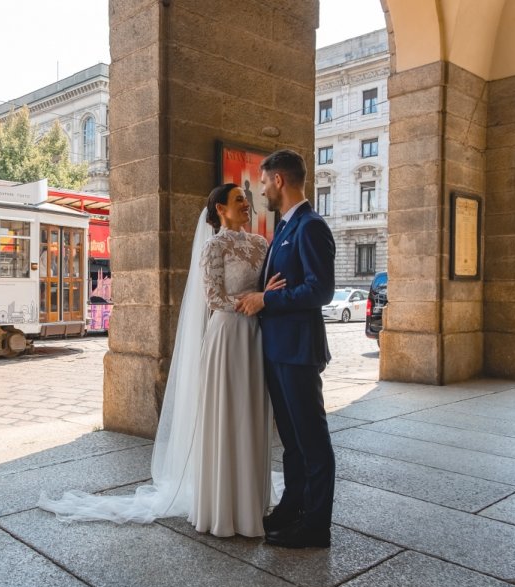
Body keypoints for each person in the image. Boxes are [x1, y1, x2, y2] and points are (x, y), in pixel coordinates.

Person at [38, 184, 284, 537]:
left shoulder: (262, 244)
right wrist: (252, 300)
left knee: (252, 413)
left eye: (247, 199)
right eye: (238, 200)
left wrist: (264, 298)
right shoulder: (213, 246)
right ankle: (225, 507)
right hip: (228, 335)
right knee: (228, 414)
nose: (247, 204)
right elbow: (213, 297)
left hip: (255, 337)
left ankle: (252, 503)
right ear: (220, 210)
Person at [236, 149, 337, 548]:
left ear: (279, 180)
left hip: (297, 349)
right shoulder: (285, 227)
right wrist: (264, 295)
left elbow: (321, 291)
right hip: (279, 348)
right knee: (293, 442)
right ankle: (293, 507)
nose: (261, 190)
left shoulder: (310, 226)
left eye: (263, 182)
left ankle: (316, 526)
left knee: (311, 440)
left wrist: (266, 300)